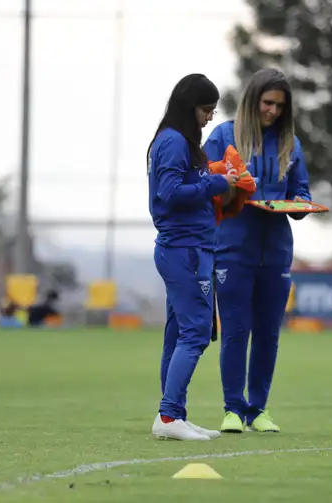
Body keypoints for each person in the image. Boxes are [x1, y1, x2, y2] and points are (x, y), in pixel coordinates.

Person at [203, 68, 312, 433]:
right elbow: (204, 186)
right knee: (235, 330)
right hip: (232, 248)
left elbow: (302, 193)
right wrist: (229, 190)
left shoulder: (290, 144)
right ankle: (232, 409)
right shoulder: (223, 135)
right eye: (268, 103)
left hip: (276, 251)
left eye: (280, 106)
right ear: (252, 100)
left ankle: (258, 409)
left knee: (268, 333)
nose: (273, 112)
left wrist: (299, 204)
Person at [148, 73, 239, 441]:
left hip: (190, 248)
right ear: (190, 107)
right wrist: (216, 183)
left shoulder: (179, 142)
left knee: (178, 335)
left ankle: (174, 415)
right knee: (196, 333)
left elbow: (186, 185)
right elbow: (169, 192)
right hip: (185, 250)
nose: (208, 118)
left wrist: (213, 177)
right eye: (206, 110)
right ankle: (169, 417)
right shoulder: (173, 142)